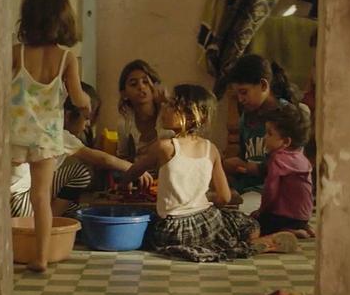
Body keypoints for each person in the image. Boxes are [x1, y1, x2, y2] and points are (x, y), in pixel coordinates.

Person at [121, 84, 299, 262]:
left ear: (191, 115)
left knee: (152, 233)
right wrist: (204, 201)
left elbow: (133, 172)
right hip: (207, 221)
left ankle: (226, 246)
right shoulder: (210, 149)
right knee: (247, 224)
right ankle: (251, 243)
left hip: (173, 229)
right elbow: (224, 197)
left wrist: (125, 183)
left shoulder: (164, 147)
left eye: (171, 104)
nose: (164, 108)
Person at [10, 0, 91, 273]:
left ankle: (1, 249)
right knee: (41, 198)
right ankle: (41, 258)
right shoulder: (67, 58)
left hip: (15, 135)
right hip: (46, 139)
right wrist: (86, 104)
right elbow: (78, 98)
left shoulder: (16, 53)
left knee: (0, 193)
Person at [10, 84, 150, 218]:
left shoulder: (42, 127)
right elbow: (102, 159)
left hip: (15, 198)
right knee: (81, 172)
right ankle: (49, 221)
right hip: (19, 202)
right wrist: (135, 169)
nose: (87, 124)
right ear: (68, 115)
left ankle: (50, 216)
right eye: (86, 118)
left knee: (74, 209)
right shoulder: (58, 135)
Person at [222, 54, 308, 210]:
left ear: (263, 85)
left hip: (275, 192)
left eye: (244, 92)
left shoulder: (286, 115)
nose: (240, 99)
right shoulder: (246, 117)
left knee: (242, 213)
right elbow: (245, 155)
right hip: (247, 190)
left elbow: (291, 164)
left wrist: (248, 167)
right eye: (237, 94)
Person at [252, 103, 315, 238]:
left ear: (286, 142)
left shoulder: (278, 159)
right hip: (303, 217)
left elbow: (270, 191)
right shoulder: (301, 157)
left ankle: (287, 231)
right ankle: (302, 227)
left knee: (253, 224)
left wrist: (261, 210)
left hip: (284, 218)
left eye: (269, 134)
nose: (264, 137)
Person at [116, 60, 175, 163]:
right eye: (133, 84)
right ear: (124, 94)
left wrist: (169, 101)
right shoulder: (124, 124)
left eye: (146, 82)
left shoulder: (169, 115)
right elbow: (122, 157)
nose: (141, 87)